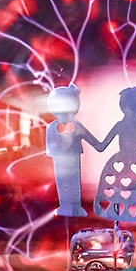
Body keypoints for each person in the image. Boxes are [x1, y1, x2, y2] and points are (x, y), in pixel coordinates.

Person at [92, 87, 136, 222]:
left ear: (123, 106)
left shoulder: (120, 125)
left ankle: (117, 215)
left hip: (118, 163)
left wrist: (86, 137)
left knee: (117, 190)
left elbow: (101, 146)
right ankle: (129, 215)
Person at [45, 83, 100, 218]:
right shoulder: (53, 128)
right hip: (61, 159)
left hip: (71, 157)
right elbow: (51, 147)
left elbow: (95, 143)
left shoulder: (74, 126)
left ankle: (74, 206)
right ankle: (66, 205)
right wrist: (65, 143)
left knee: (72, 182)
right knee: (63, 181)